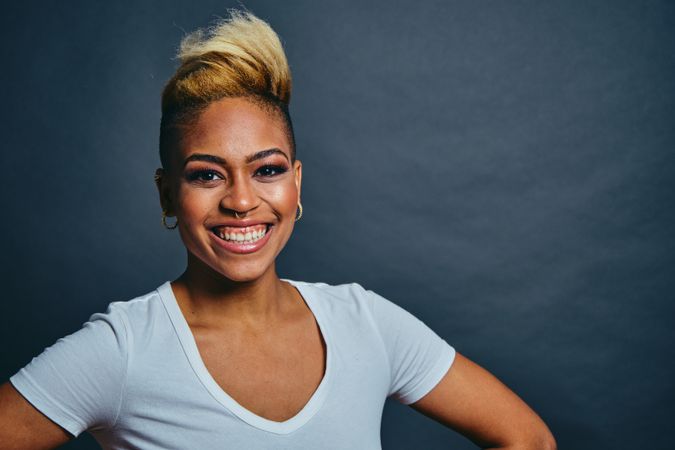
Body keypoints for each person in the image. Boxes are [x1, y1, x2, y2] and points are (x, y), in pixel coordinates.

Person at [0, 10, 556, 450]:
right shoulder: (122, 352)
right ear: (168, 193)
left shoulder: (366, 325)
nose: (242, 201)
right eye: (206, 175)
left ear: (296, 183)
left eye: (266, 170)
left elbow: (526, 438)